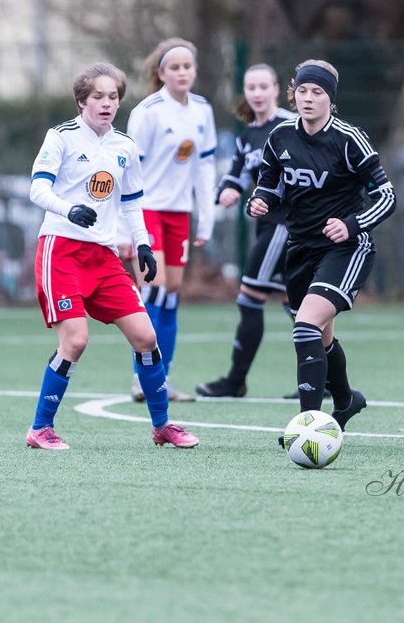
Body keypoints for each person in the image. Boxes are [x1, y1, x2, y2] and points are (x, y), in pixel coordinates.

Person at [26, 62, 199, 450]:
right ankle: (40, 428)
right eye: (98, 97)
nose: (107, 104)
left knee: (146, 336)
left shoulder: (125, 146)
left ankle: (162, 426)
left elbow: (132, 202)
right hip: (61, 250)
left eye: (113, 97)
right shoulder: (61, 137)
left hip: (104, 256)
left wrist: (142, 244)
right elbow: (37, 190)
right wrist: (67, 209)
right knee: (75, 341)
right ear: (81, 101)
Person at [249, 59, 396, 430]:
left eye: (317, 93)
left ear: (331, 99)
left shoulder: (348, 139)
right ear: (293, 94)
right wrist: (260, 200)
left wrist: (352, 225)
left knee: (305, 326)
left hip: (347, 249)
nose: (308, 99)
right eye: (302, 91)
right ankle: (345, 402)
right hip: (300, 248)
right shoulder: (280, 136)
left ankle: (308, 423)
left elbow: (387, 196)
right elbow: (270, 182)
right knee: (321, 337)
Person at [124, 38, 217, 403]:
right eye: (174, 67)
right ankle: (141, 376)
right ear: (160, 73)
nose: (181, 72)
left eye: (187, 66)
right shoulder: (148, 111)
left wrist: (206, 219)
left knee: (173, 294)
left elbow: (204, 166)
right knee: (155, 288)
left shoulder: (202, 111)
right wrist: (122, 227)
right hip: (146, 210)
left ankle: (163, 377)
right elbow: (126, 170)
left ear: (195, 71)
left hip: (180, 213)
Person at [196, 63, 296, 398]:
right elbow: (237, 174)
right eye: (250, 87)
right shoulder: (249, 132)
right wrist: (227, 189)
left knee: (249, 297)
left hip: (286, 224)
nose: (256, 93)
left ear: (276, 89)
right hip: (266, 225)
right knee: (294, 302)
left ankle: (236, 380)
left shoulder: (290, 126)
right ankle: (322, 379)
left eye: (262, 86)